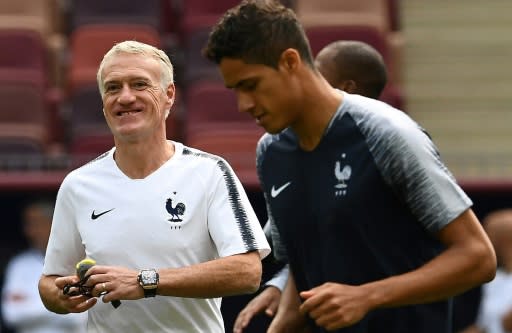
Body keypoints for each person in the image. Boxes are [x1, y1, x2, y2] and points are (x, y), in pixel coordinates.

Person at [203, 1, 497, 332]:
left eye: (251, 85)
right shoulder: (270, 152)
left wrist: (367, 297)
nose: (243, 105)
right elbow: (305, 261)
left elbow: (478, 257)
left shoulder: (386, 134)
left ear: (289, 61)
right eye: (235, 90)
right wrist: (283, 322)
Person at [38, 40, 271, 333]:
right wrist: (60, 297)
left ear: (169, 95)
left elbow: (247, 271)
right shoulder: (77, 185)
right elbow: (49, 281)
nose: (125, 97)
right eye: (112, 88)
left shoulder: (210, 172)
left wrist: (144, 281)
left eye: (139, 84)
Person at [232, 39, 389, 333]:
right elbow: (319, 243)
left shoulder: (387, 148)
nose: (305, 81)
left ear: (348, 88)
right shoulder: (294, 150)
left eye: (318, 73)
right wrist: (281, 286)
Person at [2, 199, 86, 333]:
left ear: (53, 224)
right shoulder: (19, 264)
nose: (30, 232)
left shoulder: (80, 261)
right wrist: (61, 305)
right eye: (28, 225)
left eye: (36, 224)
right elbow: (11, 314)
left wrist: (29, 303)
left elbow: (83, 316)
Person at [459, 209, 512, 333]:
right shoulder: (495, 279)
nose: (484, 242)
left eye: (489, 235)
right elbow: (484, 327)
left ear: (505, 242)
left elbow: (507, 324)